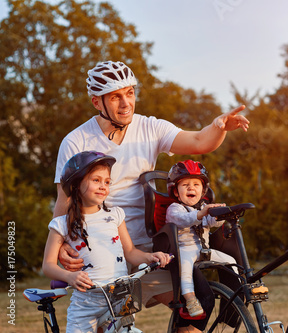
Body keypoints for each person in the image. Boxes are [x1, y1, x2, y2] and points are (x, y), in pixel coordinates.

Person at [53, 60, 249, 331]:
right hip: (101, 248)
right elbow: (64, 201)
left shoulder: (149, 128)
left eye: (130, 93)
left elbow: (198, 142)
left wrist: (220, 128)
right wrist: (61, 244)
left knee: (195, 306)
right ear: (97, 102)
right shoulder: (76, 141)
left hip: (149, 246)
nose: (126, 104)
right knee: (106, 324)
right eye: (115, 97)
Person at [43, 151, 171, 332]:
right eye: (96, 180)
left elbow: (131, 253)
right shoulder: (62, 224)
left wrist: (150, 257)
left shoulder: (115, 215)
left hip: (120, 297)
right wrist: (69, 276)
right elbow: (48, 265)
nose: (103, 186)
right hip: (86, 304)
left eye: (107, 182)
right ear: (77, 184)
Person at [165, 160, 237, 317]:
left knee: (231, 261)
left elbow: (211, 223)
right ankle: (190, 298)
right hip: (184, 250)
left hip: (204, 249)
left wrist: (219, 215)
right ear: (176, 192)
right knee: (185, 267)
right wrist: (201, 214)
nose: (191, 187)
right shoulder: (174, 209)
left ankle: (237, 292)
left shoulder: (203, 208)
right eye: (185, 185)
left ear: (203, 191)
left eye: (196, 185)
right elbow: (183, 220)